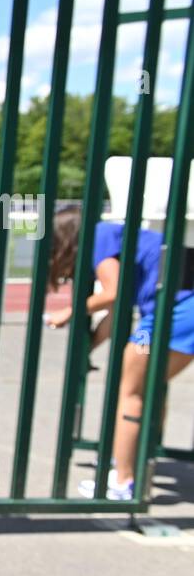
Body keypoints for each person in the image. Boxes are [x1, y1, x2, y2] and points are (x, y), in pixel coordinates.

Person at [45, 204, 194, 499]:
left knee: (131, 392)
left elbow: (115, 290)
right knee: (150, 387)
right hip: (179, 306)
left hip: (178, 309)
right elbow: (116, 311)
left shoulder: (98, 237)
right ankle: (131, 460)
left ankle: (125, 481)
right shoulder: (115, 237)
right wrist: (89, 346)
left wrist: (69, 311)